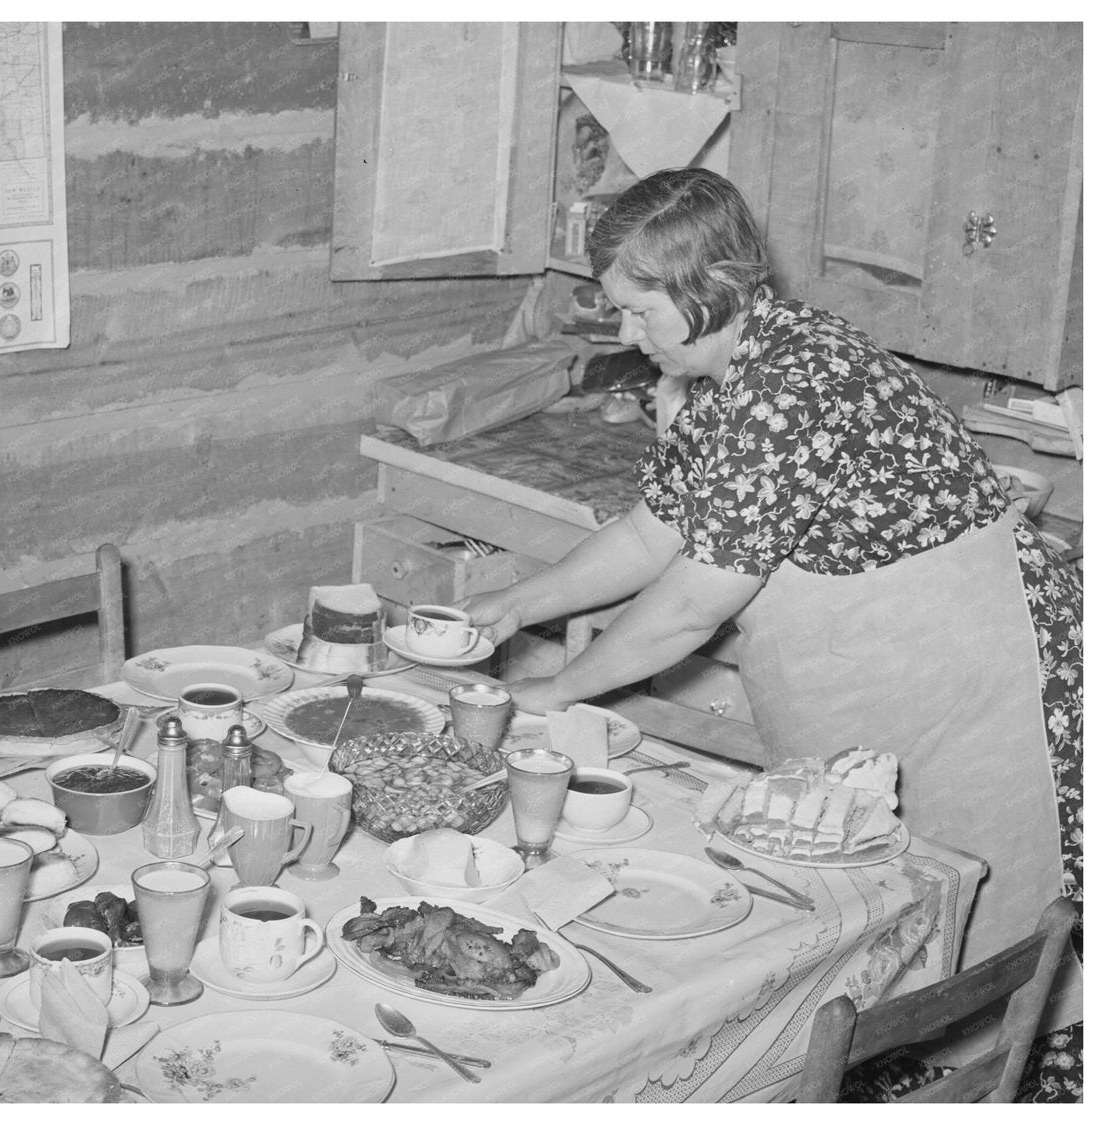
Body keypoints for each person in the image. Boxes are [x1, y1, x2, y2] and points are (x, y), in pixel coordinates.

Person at [461, 168, 1082, 1100]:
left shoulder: (791, 386)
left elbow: (689, 604)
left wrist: (554, 691)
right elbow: (650, 532)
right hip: (879, 658)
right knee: (873, 913)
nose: (626, 336)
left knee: (981, 939)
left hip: (979, 663)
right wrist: (518, 602)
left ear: (706, 286)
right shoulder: (718, 377)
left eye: (637, 312)